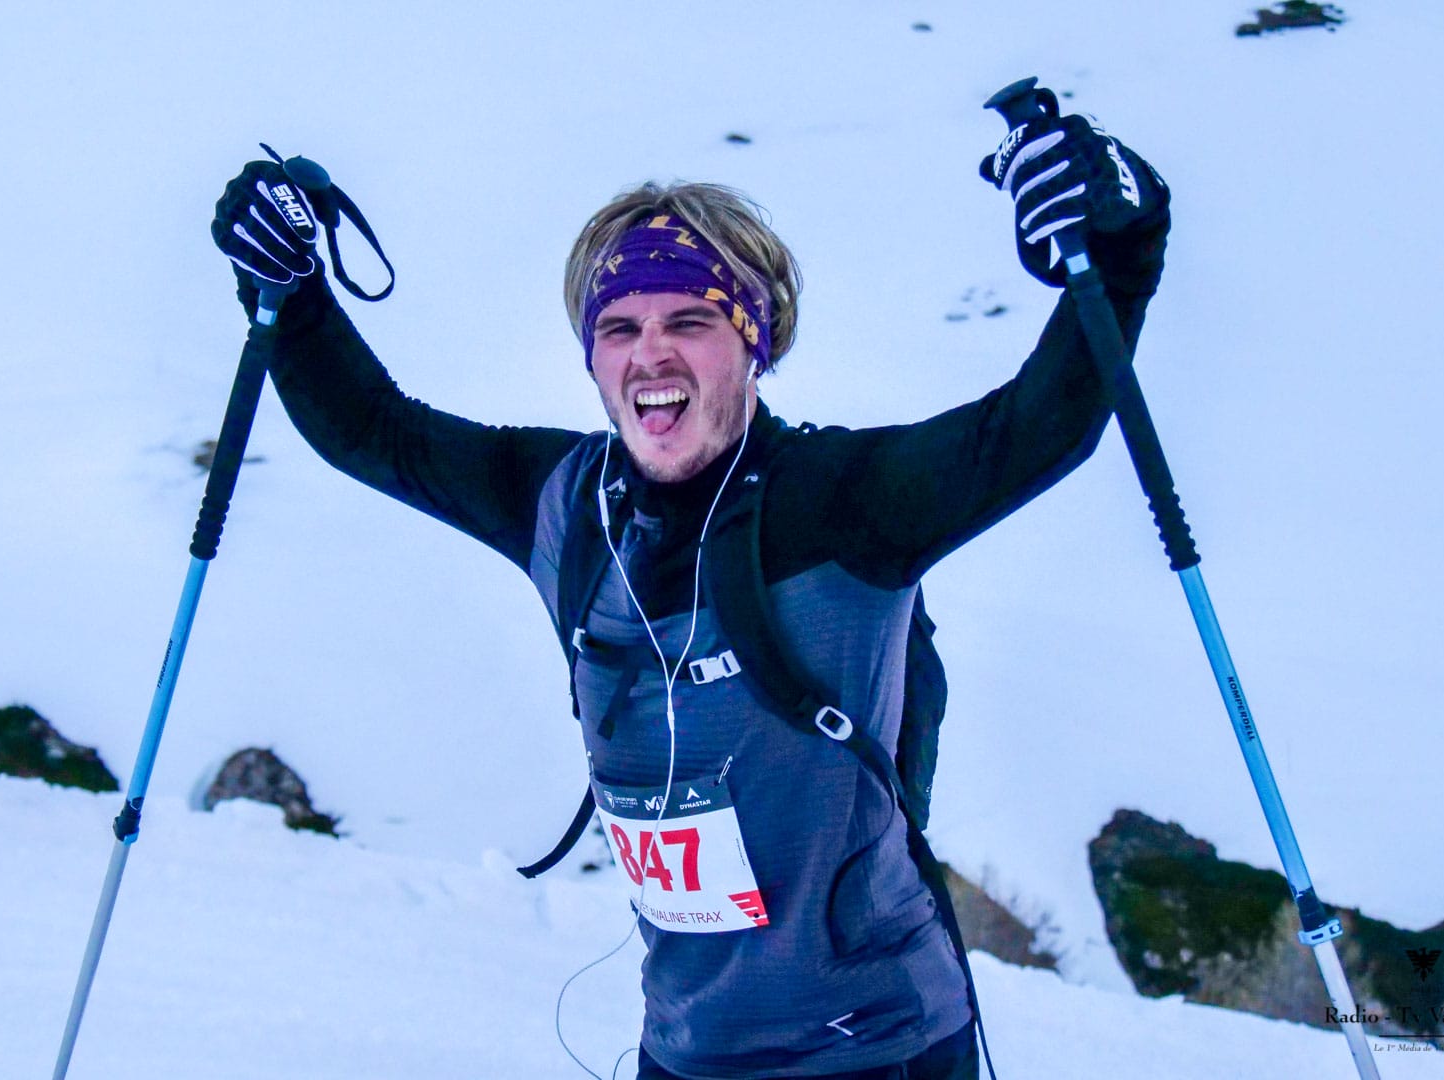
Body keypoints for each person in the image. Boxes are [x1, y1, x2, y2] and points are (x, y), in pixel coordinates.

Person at [212, 111, 1170, 1080]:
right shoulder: (568, 509)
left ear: (754, 342)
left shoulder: (841, 505)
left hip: (880, 1051)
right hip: (685, 1053)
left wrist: (1121, 239)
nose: (650, 354)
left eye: (690, 322)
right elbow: (375, 433)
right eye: (618, 328)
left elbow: (1037, 427)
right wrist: (287, 292)